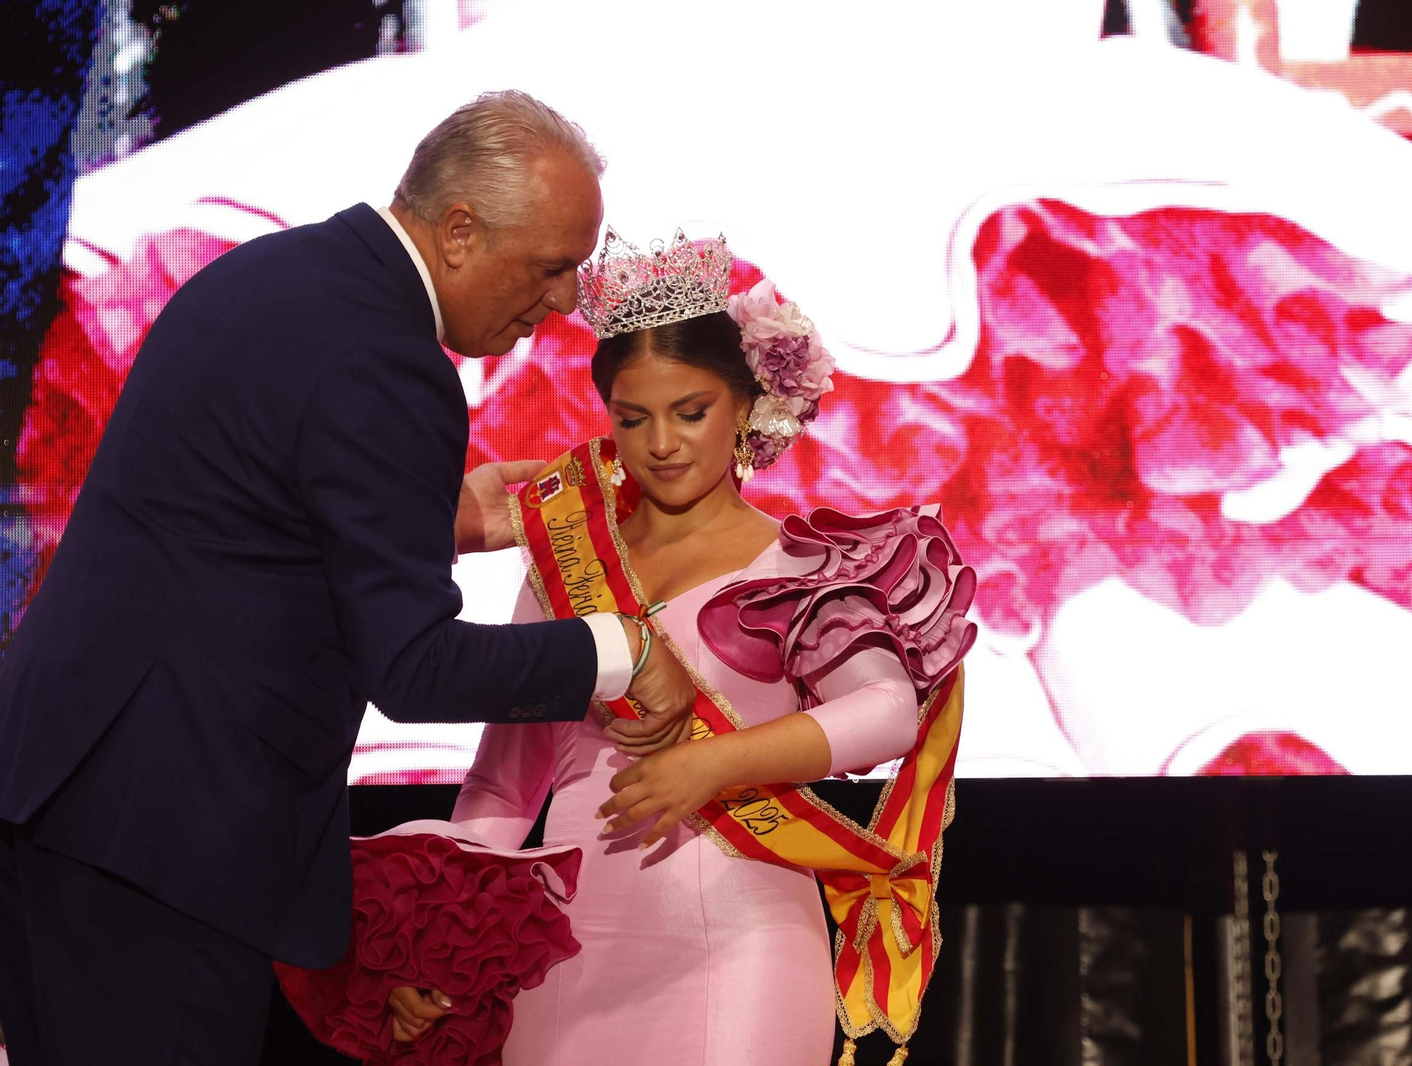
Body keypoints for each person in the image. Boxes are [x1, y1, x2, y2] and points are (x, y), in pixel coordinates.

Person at [0, 91, 695, 1065]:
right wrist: (625, 650)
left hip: (70, 798)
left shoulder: (274, 274)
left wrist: (434, 522)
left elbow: (238, 525)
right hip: (170, 840)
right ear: (460, 231)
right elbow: (415, 669)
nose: (567, 301)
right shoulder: (391, 361)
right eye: (550, 266)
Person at [361, 230, 976, 1064]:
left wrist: (713, 763)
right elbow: (505, 782)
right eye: (633, 418)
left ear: (746, 406)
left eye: (691, 412)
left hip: (742, 943)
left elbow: (888, 709)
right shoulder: (564, 566)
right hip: (564, 952)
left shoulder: (797, 565)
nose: (661, 443)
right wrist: (443, 941)